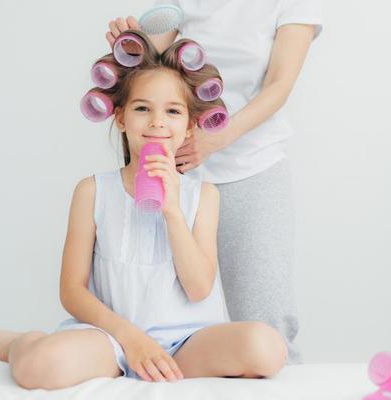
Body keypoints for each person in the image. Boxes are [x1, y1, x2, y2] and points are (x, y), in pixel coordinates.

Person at [0, 33, 287, 390]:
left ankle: (146, 360)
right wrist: (130, 340)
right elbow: (72, 290)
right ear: (120, 118)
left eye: (173, 111)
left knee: (267, 348)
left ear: (190, 126)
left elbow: (198, 288)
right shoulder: (93, 191)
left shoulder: (203, 196)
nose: (157, 122)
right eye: (142, 108)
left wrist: (173, 211)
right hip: (111, 339)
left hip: (185, 343)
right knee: (39, 366)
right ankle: (15, 344)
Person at [106, 0, 322, 363]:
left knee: (266, 322)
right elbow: (154, 67)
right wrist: (131, 50)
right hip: (176, 174)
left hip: (253, 170)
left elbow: (279, 85)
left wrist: (216, 138)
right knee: (151, 316)